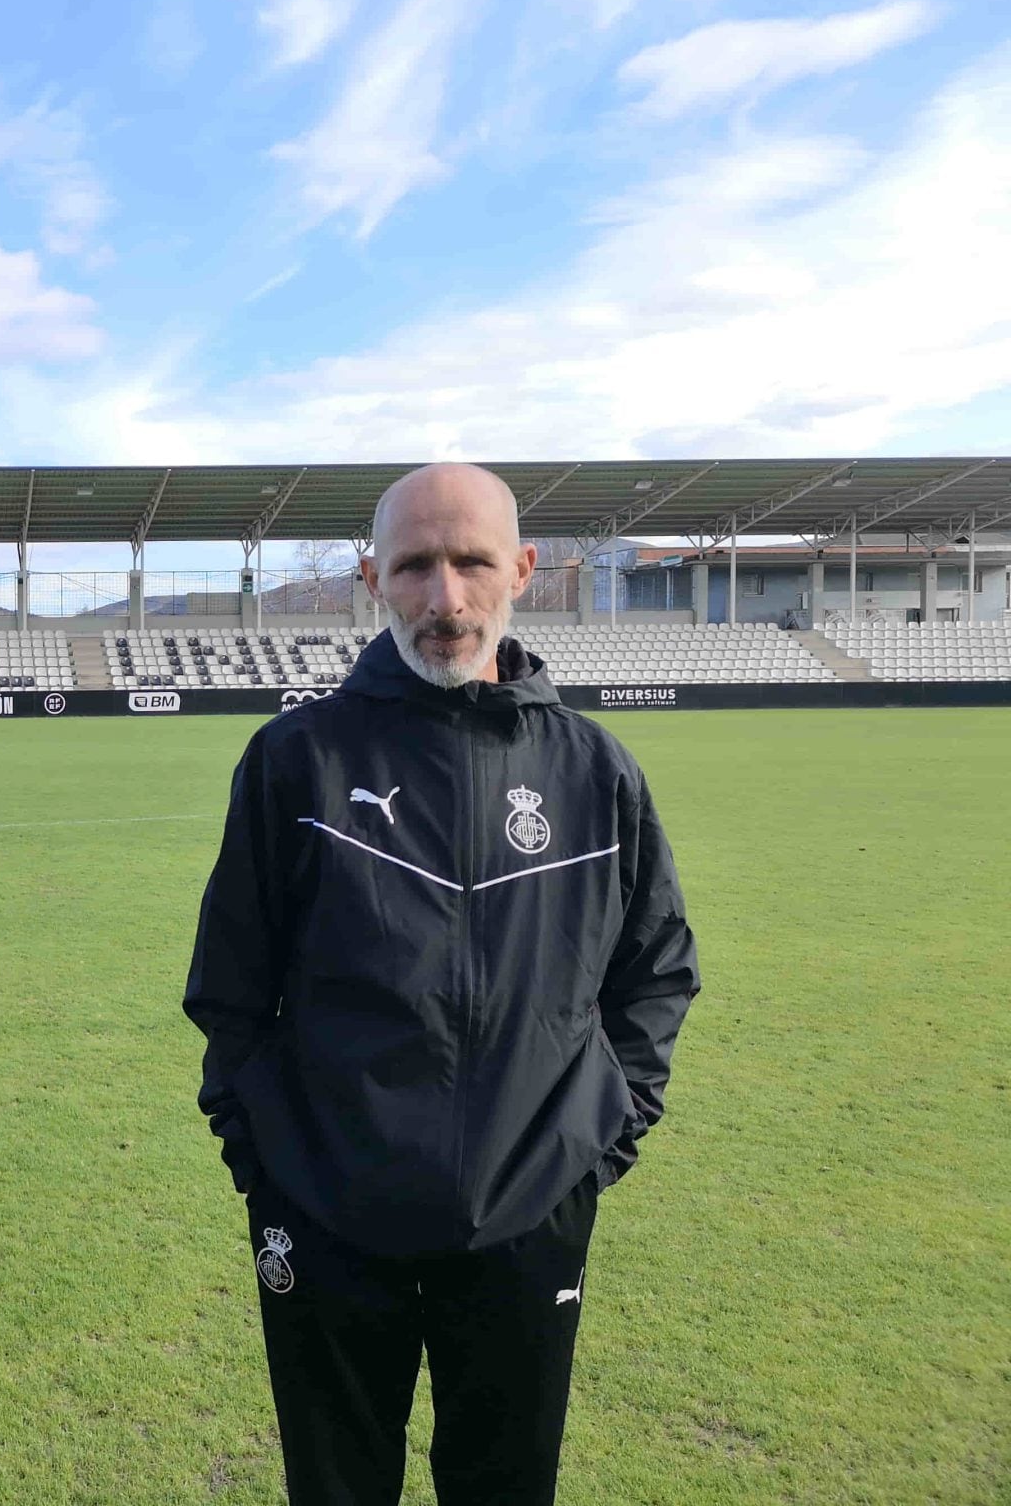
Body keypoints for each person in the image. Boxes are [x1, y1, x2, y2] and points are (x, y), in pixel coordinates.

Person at [184, 463, 699, 1506]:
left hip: (530, 1210)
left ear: (522, 568)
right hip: (324, 1209)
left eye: (469, 562)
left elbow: (654, 971)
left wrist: (597, 1140)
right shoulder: (294, 761)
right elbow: (228, 990)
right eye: (414, 566)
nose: (445, 598)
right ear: (371, 578)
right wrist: (269, 1159)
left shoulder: (594, 770)